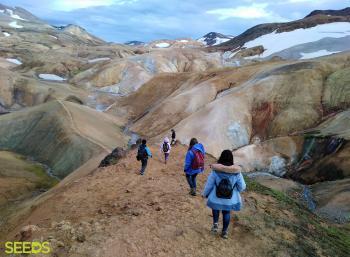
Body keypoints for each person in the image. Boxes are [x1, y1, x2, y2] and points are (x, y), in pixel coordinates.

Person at [202, 150, 246, 239]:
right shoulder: (237, 172)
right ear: (231, 159)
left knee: (215, 208)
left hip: (216, 197)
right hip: (230, 199)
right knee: (226, 213)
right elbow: (242, 187)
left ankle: (215, 224)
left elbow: (209, 184)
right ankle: (224, 232)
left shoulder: (215, 171)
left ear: (221, 157)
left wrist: (205, 194)